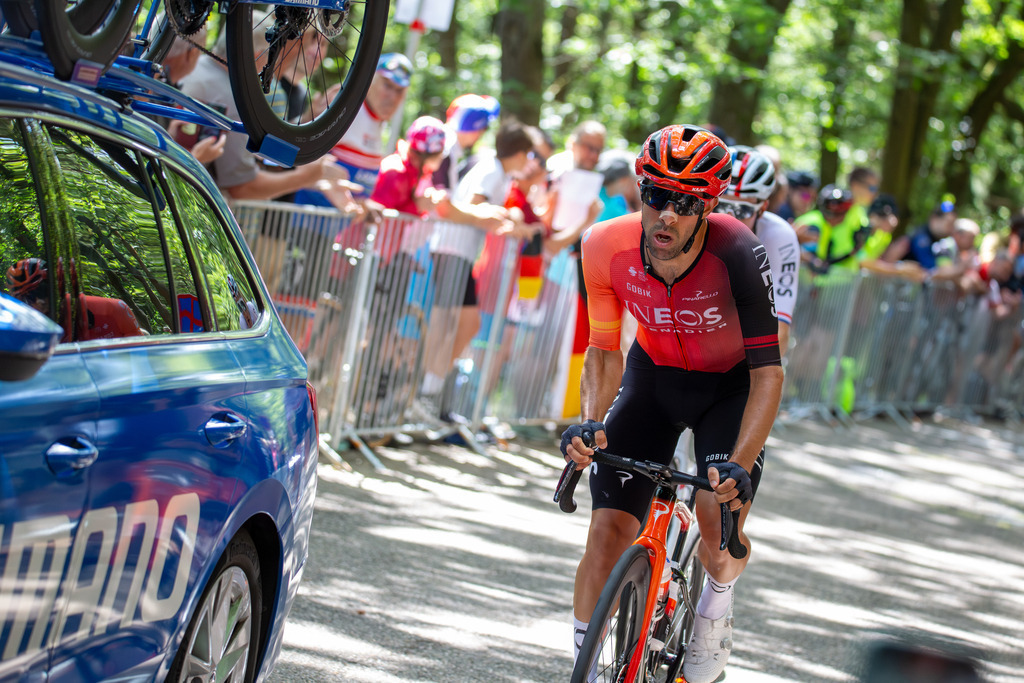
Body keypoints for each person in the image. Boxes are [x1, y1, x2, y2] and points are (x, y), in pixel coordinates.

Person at [560, 124, 783, 683]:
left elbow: (768, 372)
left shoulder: (738, 250)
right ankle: (588, 668)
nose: (666, 214)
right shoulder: (603, 245)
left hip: (728, 388)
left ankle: (714, 610)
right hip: (652, 380)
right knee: (605, 535)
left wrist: (741, 463)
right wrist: (589, 423)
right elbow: (603, 349)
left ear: (709, 207)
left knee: (715, 521)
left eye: (685, 203)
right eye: (655, 195)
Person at [292, 52, 414, 205]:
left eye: (399, 91)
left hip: (343, 218)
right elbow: (296, 157)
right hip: (308, 216)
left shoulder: (380, 123)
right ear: (370, 79)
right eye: (387, 85)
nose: (393, 97)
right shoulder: (344, 108)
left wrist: (365, 205)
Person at [714, 146, 800, 354]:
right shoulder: (689, 223)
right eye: (721, 207)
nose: (729, 219)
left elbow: (778, 331)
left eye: (742, 210)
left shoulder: (780, 236)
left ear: (762, 208)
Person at [432, 94, 501, 192]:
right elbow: (442, 198)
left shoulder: (443, 142)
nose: (481, 134)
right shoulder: (445, 151)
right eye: (484, 128)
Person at [794, 184, 869, 273]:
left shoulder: (841, 225)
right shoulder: (812, 224)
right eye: (832, 206)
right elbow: (800, 251)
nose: (837, 210)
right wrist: (813, 261)